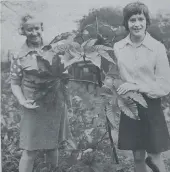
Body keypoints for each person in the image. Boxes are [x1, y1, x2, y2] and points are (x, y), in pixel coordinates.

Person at [107, 2, 170, 172]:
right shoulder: (118, 47)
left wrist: (135, 86)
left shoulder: (157, 48)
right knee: (138, 156)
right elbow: (115, 75)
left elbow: (164, 86)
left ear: (146, 21)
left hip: (151, 105)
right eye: (132, 19)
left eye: (140, 19)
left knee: (155, 156)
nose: (136, 24)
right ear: (126, 23)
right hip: (130, 106)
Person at [10, 14, 71, 172]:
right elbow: (15, 83)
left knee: (53, 146)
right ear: (23, 31)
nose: (34, 32)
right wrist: (22, 101)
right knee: (29, 150)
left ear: (42, 28)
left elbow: (64, 75)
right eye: (29, 29)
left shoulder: (55, 49)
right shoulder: (18, 56)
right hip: (33, 105)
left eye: (37, 28)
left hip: (54, 102)